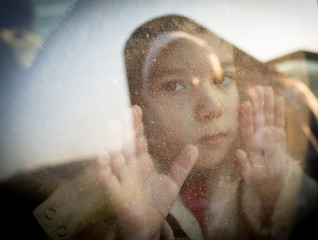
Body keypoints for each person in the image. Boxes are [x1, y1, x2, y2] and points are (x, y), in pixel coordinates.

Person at [1, 6, 317, 240]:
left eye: (224, 78)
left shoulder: (261, 163)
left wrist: (276, 192)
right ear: (133, 106)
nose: (212, 108)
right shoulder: (103, 203)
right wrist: (138, 231)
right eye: (173, 85)